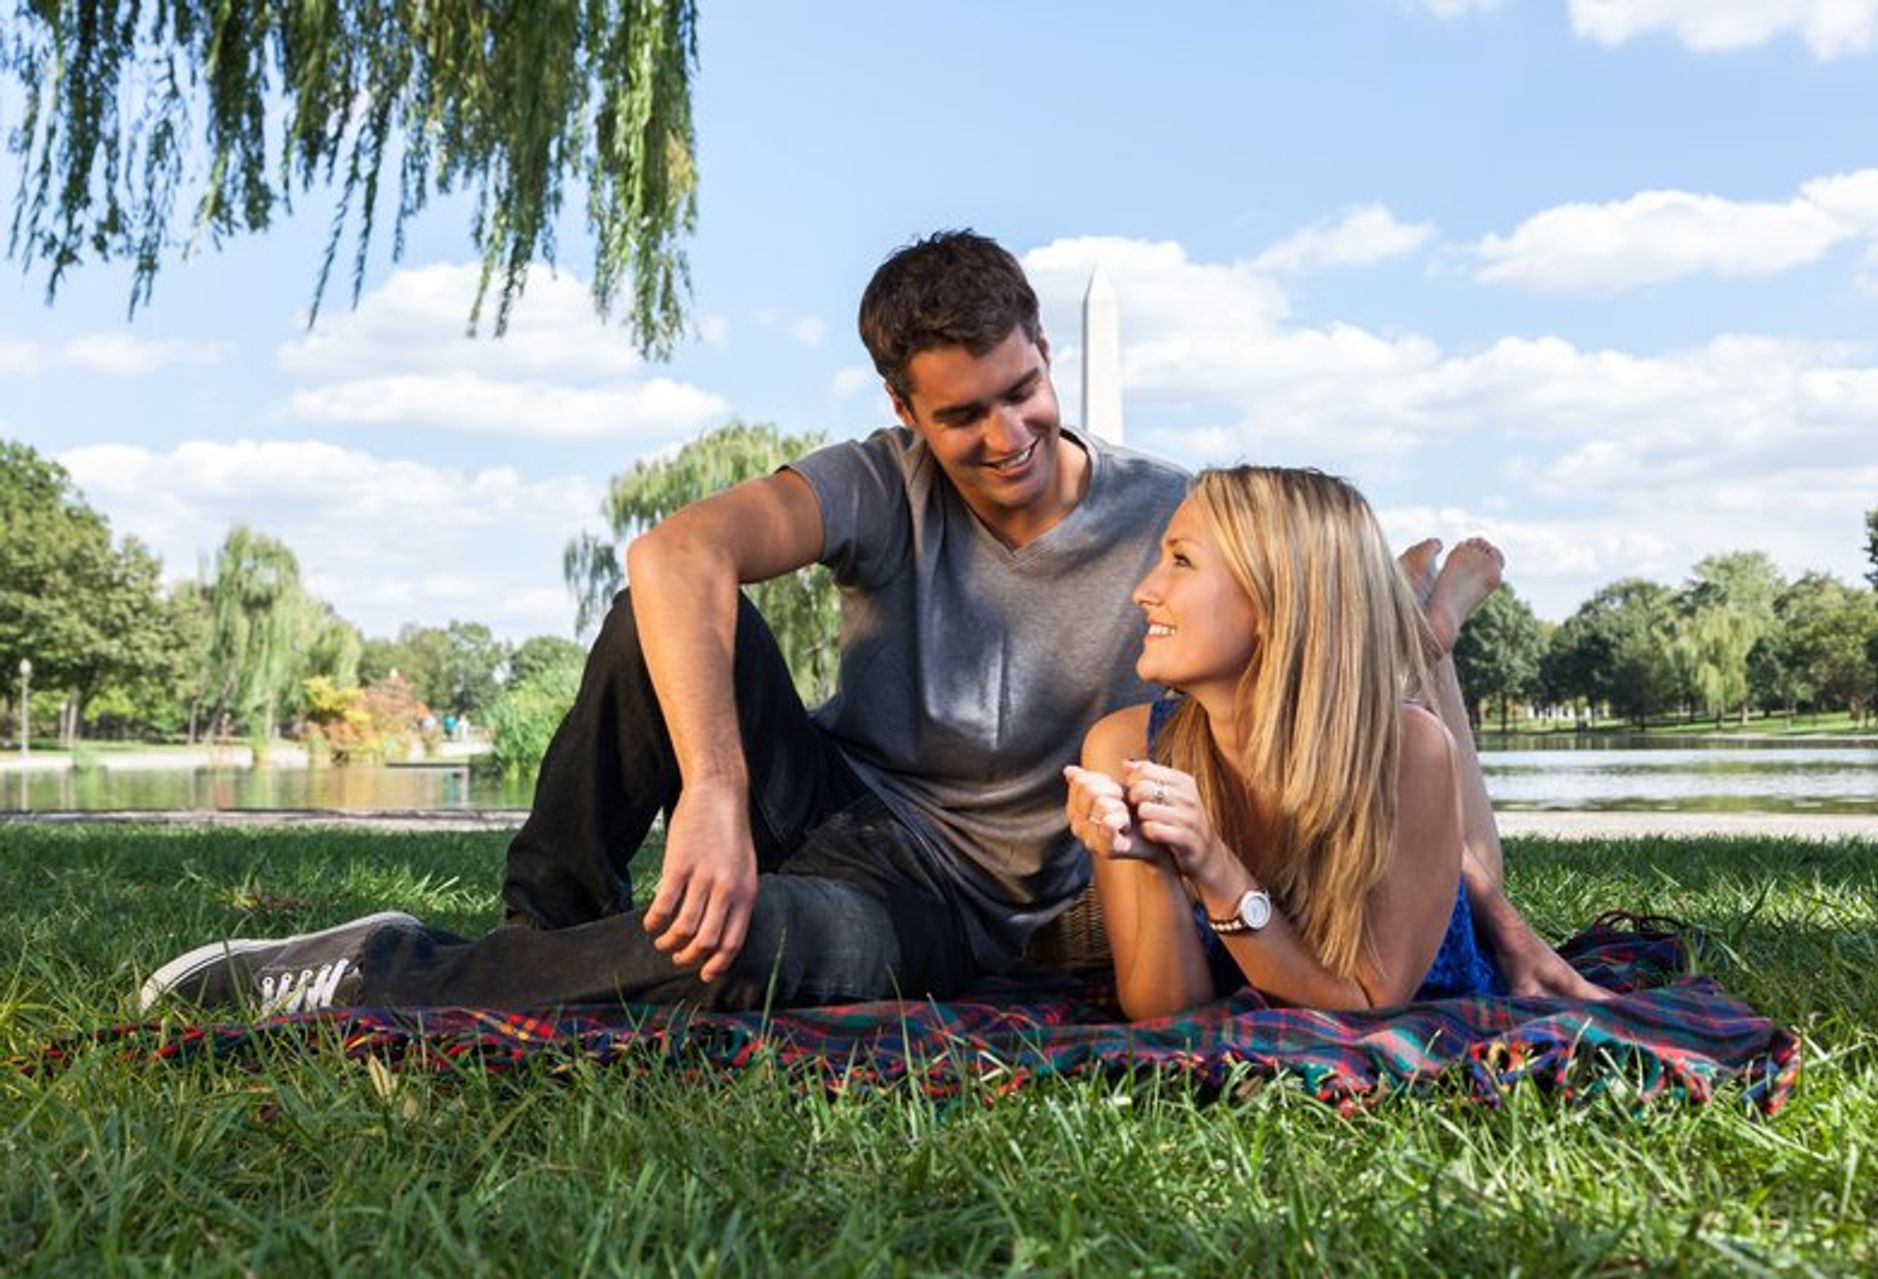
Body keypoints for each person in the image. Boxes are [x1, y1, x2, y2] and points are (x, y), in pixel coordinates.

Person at [140, 232, 1596, 1019]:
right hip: (833, 797)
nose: (1006, 432)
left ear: (1043, 355)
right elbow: (676, 549)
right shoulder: (881, 485)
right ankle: (547, 935)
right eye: (961, 414)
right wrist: (717, 787)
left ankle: (385, 973)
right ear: (905, 407)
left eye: (1025, 391)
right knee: (660, 608)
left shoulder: (1178, 520)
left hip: (951, 905)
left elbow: (1376, 679)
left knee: (733, 946)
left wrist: (1490, 903)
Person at [1065, 467, 1606, 1019]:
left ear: (1275, 598)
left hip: (1431, 957)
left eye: (1180, 560)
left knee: (1476, 861)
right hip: (1359, 735)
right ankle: (1418, 636)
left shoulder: (1409, 750)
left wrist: (1213, 864)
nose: (1144, 591)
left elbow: (1365, 1005)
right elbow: (1164, 1014)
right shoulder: (1125, 747)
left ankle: (1426, 646)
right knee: (1471, 855)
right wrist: (1151, 857)